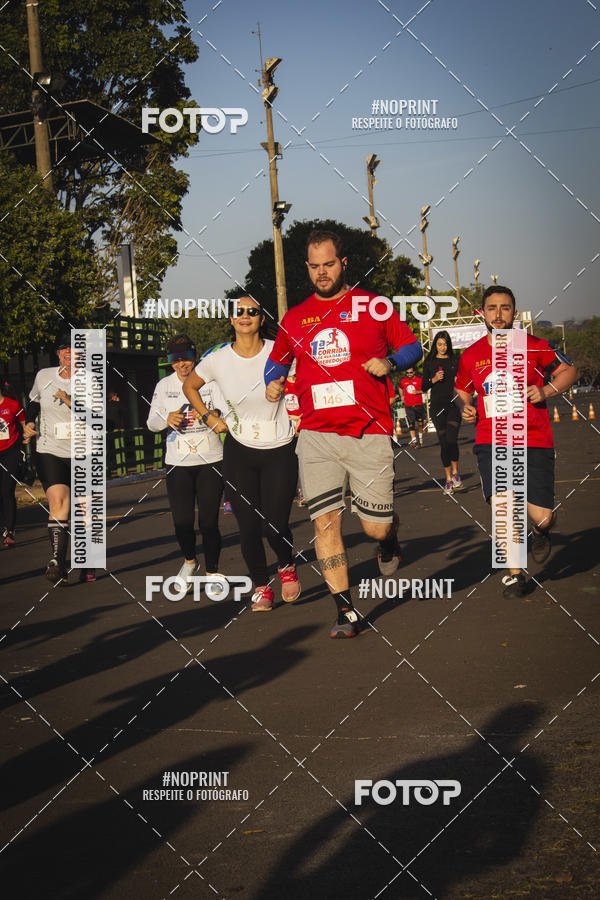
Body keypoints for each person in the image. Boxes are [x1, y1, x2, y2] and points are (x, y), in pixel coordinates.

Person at [265, 229, 422, 638]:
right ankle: (345, 610)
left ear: (344, 263)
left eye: (329, 264)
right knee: (325, 525)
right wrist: (274, 381)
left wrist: (389, 362)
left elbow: (412, 347)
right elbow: (275, 363)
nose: (321, 272)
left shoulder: (374, 307)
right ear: (307, 267)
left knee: (374, 527)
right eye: (314, 266)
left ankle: (388, 538)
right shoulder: (295, 317)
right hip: (316, 436)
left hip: (369, 431)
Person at [455, 285, 578, 599]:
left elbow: (568, 370)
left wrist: (545, 392)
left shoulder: (535, 346)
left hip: (534, 440)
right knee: (504, 505)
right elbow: (462, 390)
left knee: (542, 516)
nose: (498, 314)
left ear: (514, 312)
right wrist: (465, 407)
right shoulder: (472, 354)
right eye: (492, 308)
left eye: (505, 308)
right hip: (490, 440)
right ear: (481, 313)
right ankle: (514, 574)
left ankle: (539, 531)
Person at [183, 297, 301, 610]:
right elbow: (190, 387)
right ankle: (261, 586)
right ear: (232, 320)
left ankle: (286, 563)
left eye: (253, 311)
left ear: (262, 319)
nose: (245, 316)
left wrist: (287, 389)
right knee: (248, 526)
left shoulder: (280, 351)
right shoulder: (218, 360)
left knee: (273, 524)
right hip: (239, 450)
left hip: (280, 447)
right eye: (239, 312)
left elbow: (303, 383)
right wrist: (209, 417)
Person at [147, 333, 225, 595]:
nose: (182, 365)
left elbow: (226, 411)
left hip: (210, 459)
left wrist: (213, 414)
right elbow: (151, 423)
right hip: (177, 462)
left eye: (187, 359)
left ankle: (213, 572)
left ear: (195, 357)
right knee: (181, 522)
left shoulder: (210, 382)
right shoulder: (163, 386)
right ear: (170, 362)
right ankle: (190, 561)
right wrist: (166, 418)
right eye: (175, 360)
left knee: (208, 522)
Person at [23, 334, 95, 583]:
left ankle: (86, 561)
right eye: (64, 349)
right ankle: (57, 561)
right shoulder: (44, 376)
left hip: (82, 451)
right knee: (58, 503)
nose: (69, 353)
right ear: (58, 353)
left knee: (84, 510)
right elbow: (32, 401)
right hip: (50, 449)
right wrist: (30, 422)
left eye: (74, 350)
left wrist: (68, 399)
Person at [421, 330, 463, 494]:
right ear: (435, 345)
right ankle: (447, 480)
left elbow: (463, 381)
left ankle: (456, 473)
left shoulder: (454, 360)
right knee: (444, 443)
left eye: (445, 344)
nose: (442, 347)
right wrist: (434, 379)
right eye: (439, 344)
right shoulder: (429, 362)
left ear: (449, 345)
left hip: (453, 405)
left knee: (452, 439)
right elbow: (424, 387)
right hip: (437, 407)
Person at [0, 382, 25, 547]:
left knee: (7, 490)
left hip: (10, 452)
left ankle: (9, 531)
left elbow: (25, 424)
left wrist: (27, 438)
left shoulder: (14, 405)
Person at [398, 367, 426, 449]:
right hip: (408, 405)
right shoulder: (403, 381)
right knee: (411, 423)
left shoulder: (419, 380)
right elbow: (400, 387)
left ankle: (420, 436)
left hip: (418, 405)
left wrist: (418, 392)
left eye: (410, 372)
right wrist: (402, 395)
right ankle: (414, 441)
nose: (409, 374)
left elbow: (425, 389)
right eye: (407, 373)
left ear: (414, 372)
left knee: (420, 424)